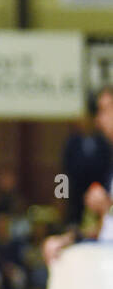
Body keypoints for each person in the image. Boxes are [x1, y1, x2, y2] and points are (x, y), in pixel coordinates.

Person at [46, 85, 113, 262]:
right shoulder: (72, 143)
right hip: (78, 202)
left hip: (98, 197)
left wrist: (106, 205)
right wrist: (61, 197)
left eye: (104, 111)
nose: (99, 120)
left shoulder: (103, 145)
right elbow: (63, 175)